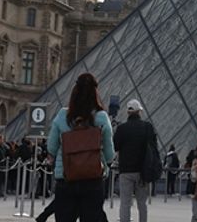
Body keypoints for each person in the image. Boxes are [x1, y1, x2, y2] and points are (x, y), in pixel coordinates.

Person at [46, 73, 116, 222]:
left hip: (66, 179)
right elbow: (110, 155)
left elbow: (51, 148)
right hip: (93, 180)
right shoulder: (102, 117)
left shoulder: (62, 116)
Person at [113, 99, 156, 222]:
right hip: (142, 171)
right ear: (139, 112)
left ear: (128, 112)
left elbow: (115, 146)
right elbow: (153, 147)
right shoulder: (147, 127)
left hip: (125, 171)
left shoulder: (121, 128)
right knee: (142, 204)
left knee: (125, 203)